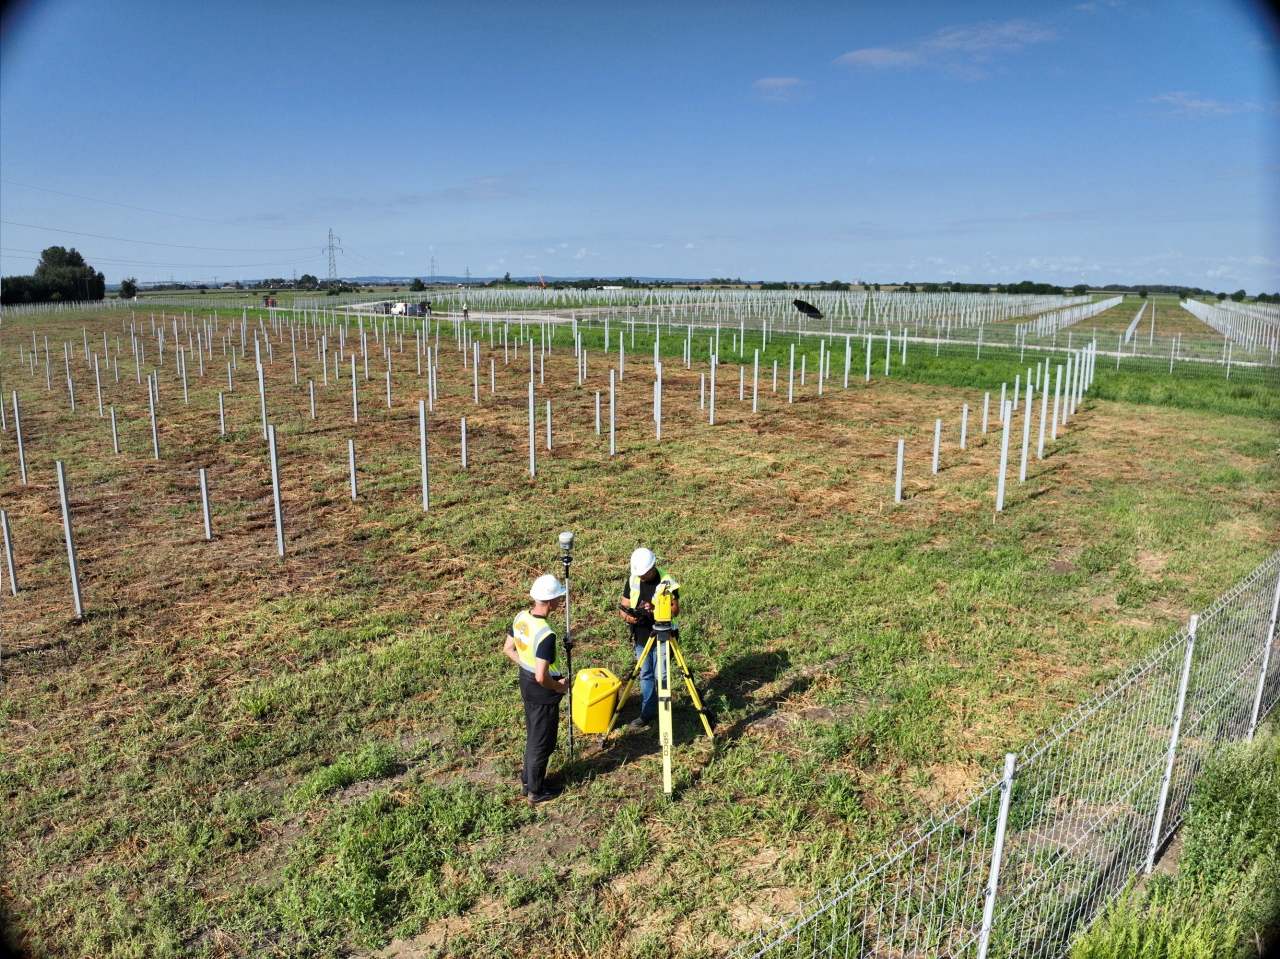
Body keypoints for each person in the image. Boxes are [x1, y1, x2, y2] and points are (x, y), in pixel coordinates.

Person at [503, 573, 570, 804]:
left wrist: (527, 666)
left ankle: (528, 781)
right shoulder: (546, 634)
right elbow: (542, 676)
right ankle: (535, 790)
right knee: (542, 741)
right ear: (550, 602)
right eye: (559, 597)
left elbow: (508, 649)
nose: (561, 601)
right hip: (543, 692)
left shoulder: (521, 617)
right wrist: (558, 687)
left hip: (526, 683)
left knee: (534, 734)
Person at [619, 547, 680, 730]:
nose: (641, 577)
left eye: (644, 574)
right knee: (645, 675)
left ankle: (664, 716)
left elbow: (675, 609)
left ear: (652, 567)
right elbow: (623, 606)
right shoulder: (633, 579)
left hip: (663, 635)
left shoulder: (666, 581)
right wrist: (628, 617)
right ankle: (647, 714)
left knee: (661, 675)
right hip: (641, 635)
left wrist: (656, 609)